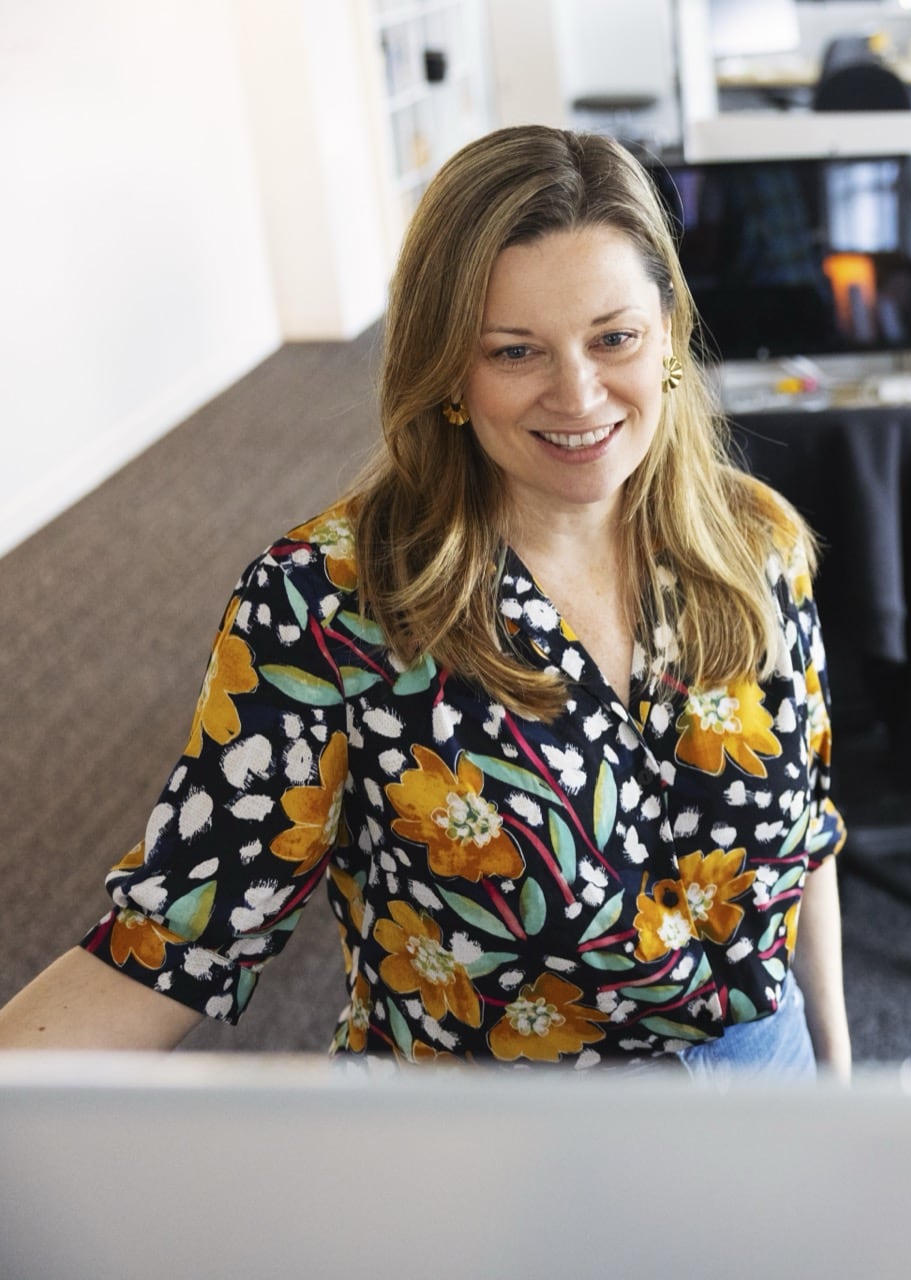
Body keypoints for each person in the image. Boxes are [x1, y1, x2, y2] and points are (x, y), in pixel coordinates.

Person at [0, 125, 851, 1079]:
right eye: (515, 352)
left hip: (763, 1086)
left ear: (668, 337)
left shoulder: (755, 542)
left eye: (614, 338)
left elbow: (809, 838)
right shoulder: (324, 606)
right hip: (486, 1149)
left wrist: (838, 1087)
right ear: (449, 368)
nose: (578, 394)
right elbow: (176, 937)